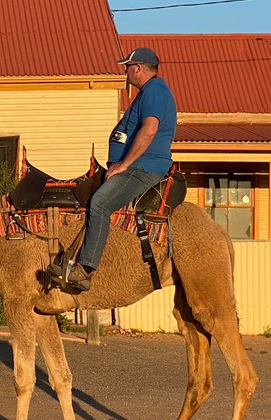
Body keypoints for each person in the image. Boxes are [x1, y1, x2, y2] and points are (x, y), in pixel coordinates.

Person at [48, 47, 177, 292]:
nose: (125, 72)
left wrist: (123, 165)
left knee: (100, 203)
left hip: (143, 168)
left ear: (138, 68)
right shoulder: (148, 92)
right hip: (134, 166)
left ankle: (85, 271)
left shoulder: (155, 91)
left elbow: (149, 130)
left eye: (127, 67)